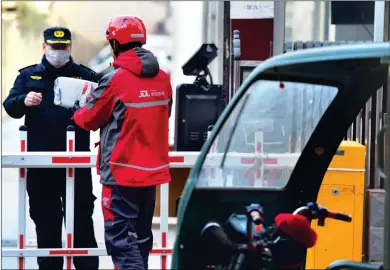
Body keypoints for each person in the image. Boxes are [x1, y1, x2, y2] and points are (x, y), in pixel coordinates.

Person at [72, 15, 173, 270]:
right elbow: (164, 114)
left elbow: (88, 120)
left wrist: (79, 107)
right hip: (151, 174)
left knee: (121, 243)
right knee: (140, 240)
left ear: (115, 43)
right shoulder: (162, 78)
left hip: (121, 173)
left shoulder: (114, 79)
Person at [3, 26, 101, 270]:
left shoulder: (86, 75)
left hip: (76, 163)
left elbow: (103, 110)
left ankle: (86, 266)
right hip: (41, 163)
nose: (58, 52)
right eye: (54, 47)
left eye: (63, 47)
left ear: (70, 47)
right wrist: (23, 101)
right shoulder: (28, 76)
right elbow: (10, 106)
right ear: (44, 47)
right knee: (46, 223)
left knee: (81, 223)